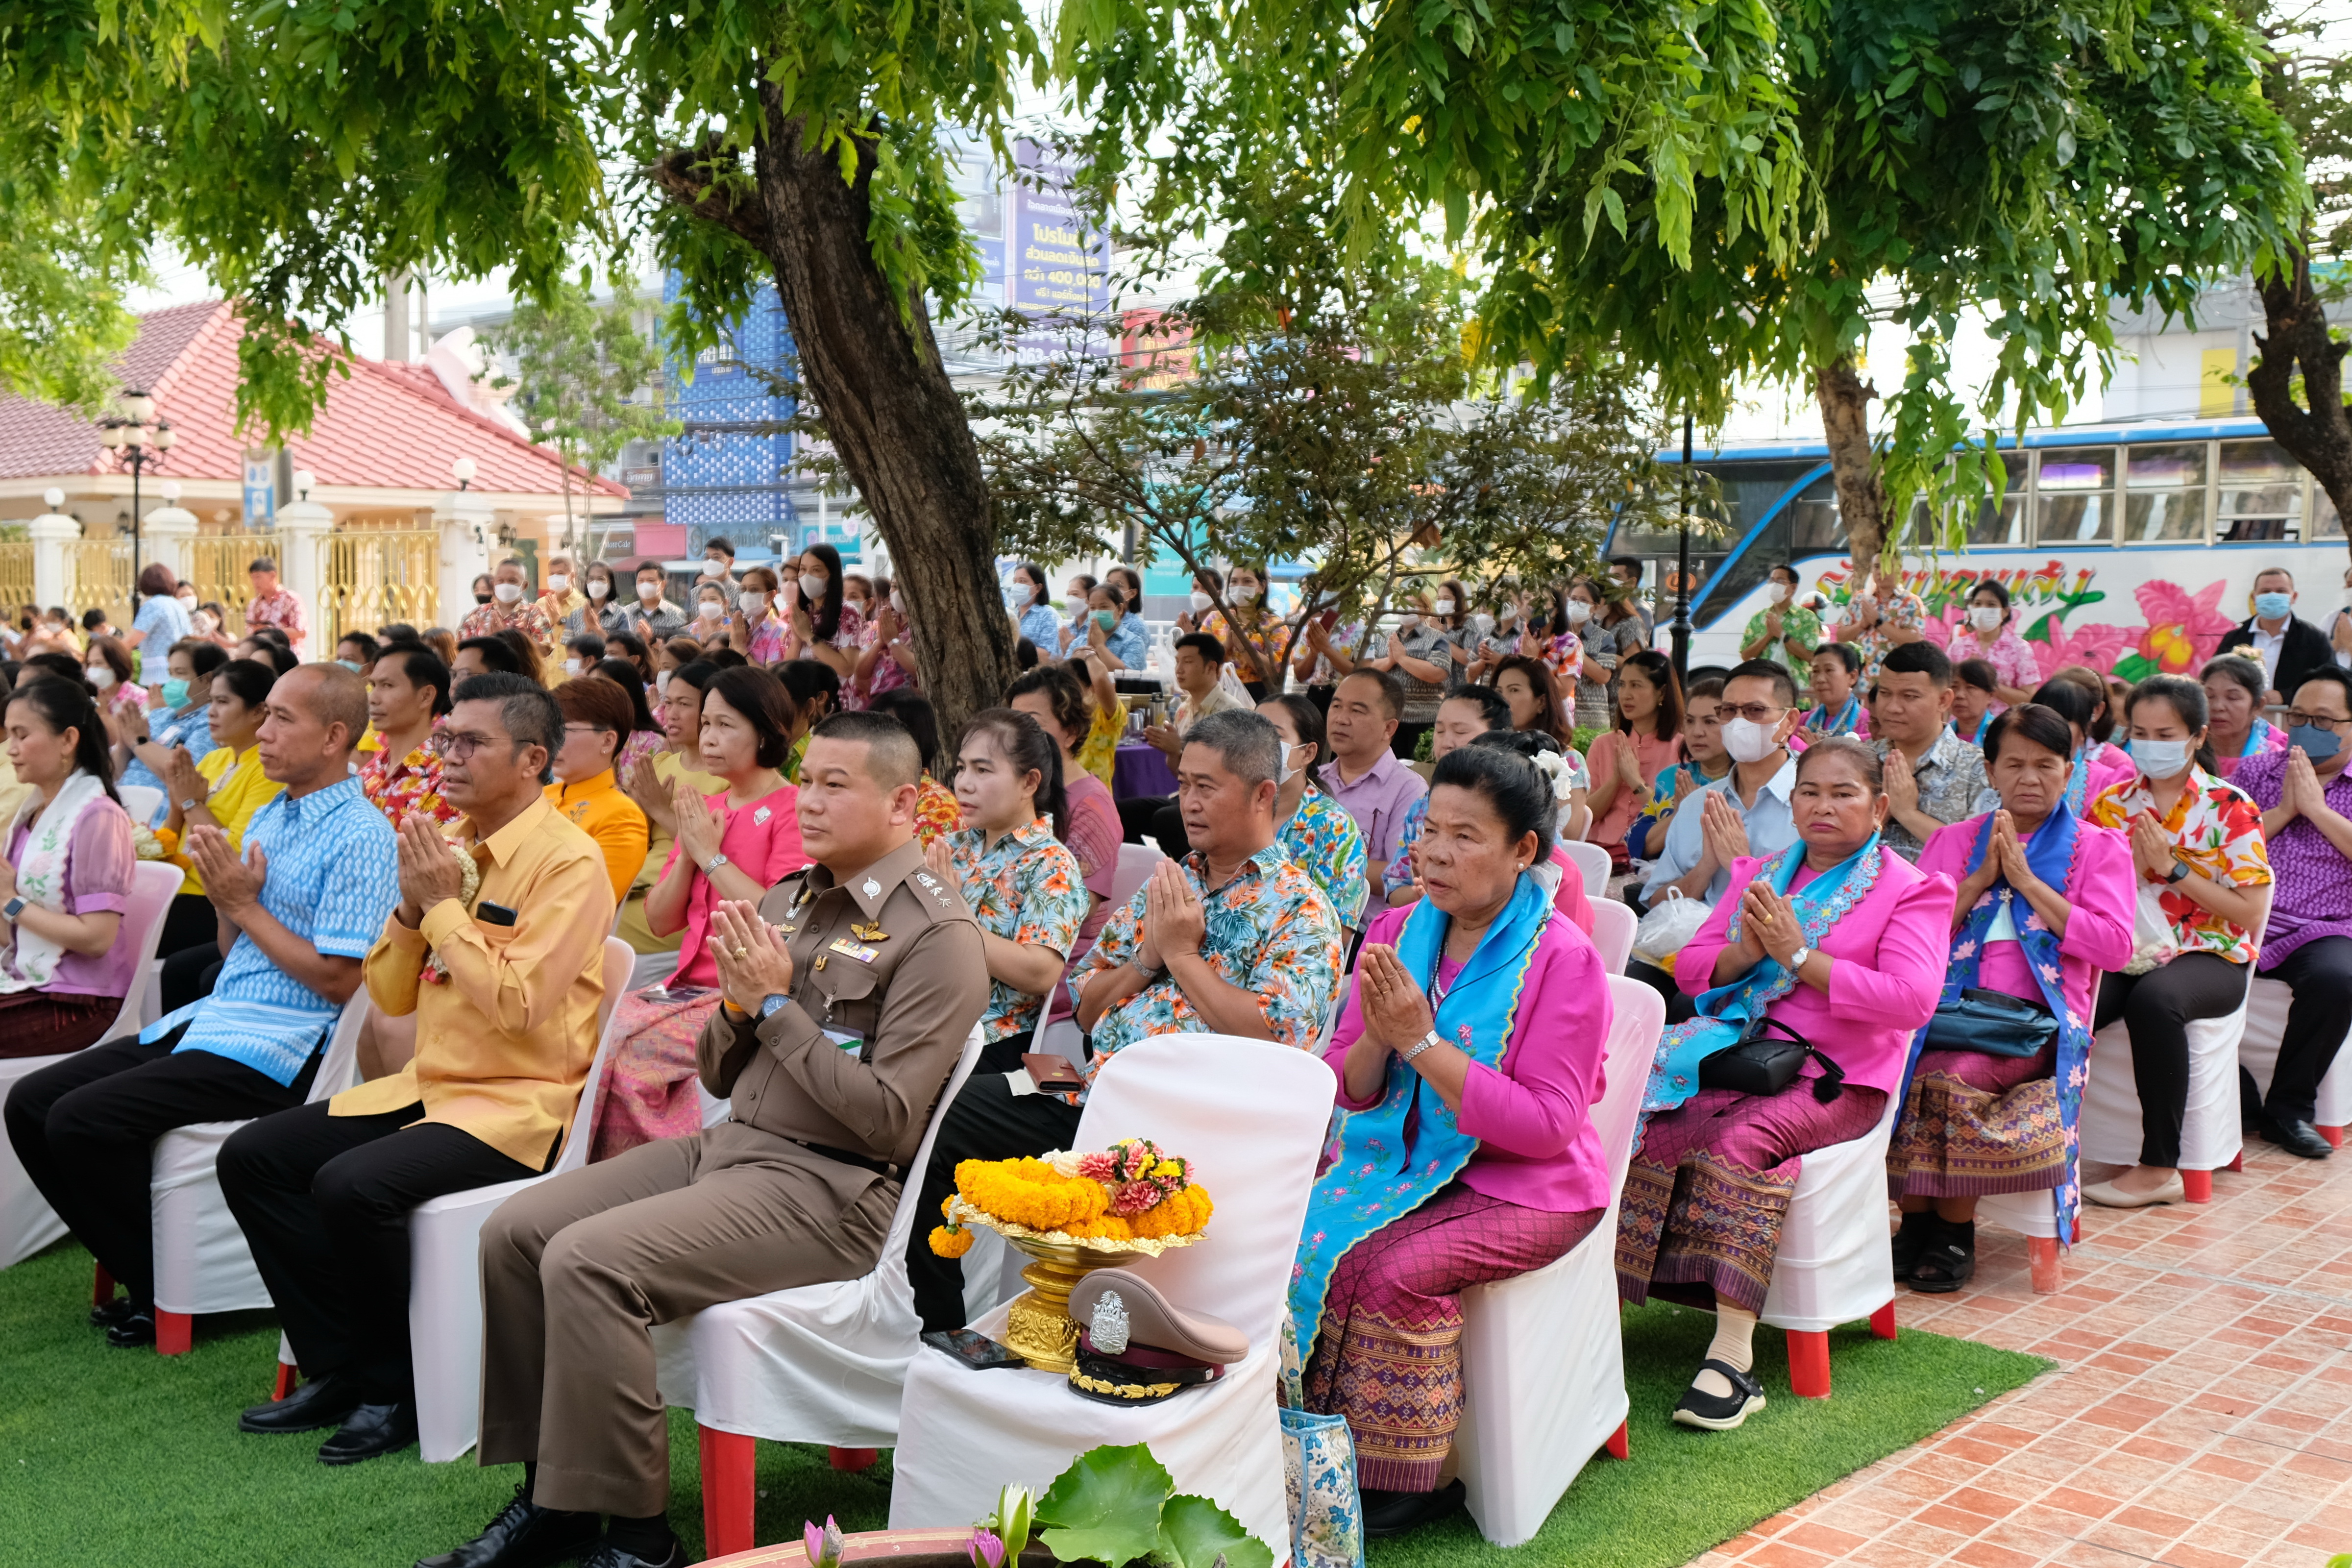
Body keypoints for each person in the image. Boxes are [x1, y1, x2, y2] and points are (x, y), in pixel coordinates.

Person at [435, 713, 985, 1568]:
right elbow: (723, 1079)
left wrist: (774, 1006)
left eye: (836, 785)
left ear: (904, 803)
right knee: (517, 1232)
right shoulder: (790, 898)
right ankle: (558, 1498)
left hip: (832, 1193)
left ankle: (641, 1539)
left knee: (589, 1260)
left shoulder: (940, 938)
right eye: (807, 780)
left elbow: (887, 1120)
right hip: (732, 1150)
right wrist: (737, 1010)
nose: (808, 801)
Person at [220, 673, 613, 1463]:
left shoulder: (570, 863)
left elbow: (518, 1005)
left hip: (517, 1106)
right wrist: (410, 910)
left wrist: (437, 909)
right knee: (254, 1158)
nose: (449, 758)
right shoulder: (450, 844)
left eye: (471, 743)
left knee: (351, 1185)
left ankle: (393, 1389)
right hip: (432, 1085)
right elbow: (390, 995)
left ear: (533, 759)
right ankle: (336, 1364)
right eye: (446, 741)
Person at [907, 710, 1343, 1335]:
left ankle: (967, 1323)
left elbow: (1278, 1038)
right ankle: (942, 1324)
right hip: (1090, 1084)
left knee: (963, 1109)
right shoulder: (1170, 881)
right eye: (1182, 783)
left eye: (1206, 787)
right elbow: (1085, 1004)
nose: (1186, 802)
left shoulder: (1299, 906)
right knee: (952, 1106)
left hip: (1175, 1123)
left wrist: (1184, 957)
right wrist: (1149, 957)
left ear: (1263, 794)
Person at [4, 666, 395, 1348]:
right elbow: (233, 946)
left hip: (284, 1044)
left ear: (335, 737)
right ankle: (153, 1276)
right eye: (265, 716)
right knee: (33, 1104)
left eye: (280, 720)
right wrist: (227, 899)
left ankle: (163, 1291)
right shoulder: (277, 811)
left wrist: (241, 903)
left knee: (79, 1120)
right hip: (220, 1018)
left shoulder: (363, 835)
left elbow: (339, 982)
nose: (264, 734)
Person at [1293, 733, 1613, 1535]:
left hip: (1532, 1186)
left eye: (1465, 836)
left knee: (1393, 1266)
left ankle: (1408, 1475)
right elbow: (1348, 1084)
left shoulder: (1563, 959)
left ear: (1523, 851)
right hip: (1410, 1161)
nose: (1435, 852)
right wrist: (1381, 1034)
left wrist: (1422, 1044)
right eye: (1430, 829)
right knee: (1299, 1231)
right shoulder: (1399, 930)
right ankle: (1305, 1439)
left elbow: (1547, 1127)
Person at [1617, 738, 1949, 1431]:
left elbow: (1911, 1001)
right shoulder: (1763, 873)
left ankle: (1733, 1357)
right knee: (1637, 1123)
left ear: (1880, 807)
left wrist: (1801, 957)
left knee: (1738, 1141)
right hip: (1739, 1053)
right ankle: (1613, 1308)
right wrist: (1749, 950)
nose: (1823, 806)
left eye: (1843, 793)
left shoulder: (1912, 889)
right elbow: (1695, 970)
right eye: (1810, 792)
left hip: (1840, 1077)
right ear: (1792, 802)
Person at [1889, 705, 2135, 1290]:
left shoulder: (2099, 848)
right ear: (1991, 770)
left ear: (2070, 770)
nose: (2031, 777)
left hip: (2033, 1026)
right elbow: (1913, 936)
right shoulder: (1953, 842)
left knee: (1949, 1077)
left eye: (2046, 764)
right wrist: (1978, 880)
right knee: (1905, 1062)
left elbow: (2116, 947)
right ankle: (1915, 1222)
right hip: (1943, 1013)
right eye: (2015, 763)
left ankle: (1952, 1230)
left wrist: (2026, 882)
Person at [589, 666, 805, 1162]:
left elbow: (783, 915)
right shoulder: (704, 806)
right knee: (585, 1037)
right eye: (706, 724)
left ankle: (655, 1174)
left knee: (627, 1056)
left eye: (726, 725)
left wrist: (711, 856)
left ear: (768, 731)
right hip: (686, 983)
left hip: (742, 995)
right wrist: (689, 852)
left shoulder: (791, 808)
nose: (709, 737)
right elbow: (663, 920)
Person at [2083, 676, 2274, 1207]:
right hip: (2134, 947)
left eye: (2165, 732)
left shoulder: (2230, 808)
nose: (2150, 743)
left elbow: (2248, 911)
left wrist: (2171, 869)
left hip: (2212, 952)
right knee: (2077, 996)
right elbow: (2089, 891)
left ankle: (2158, 1165)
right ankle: (2046, 1139)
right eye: (2139, 732)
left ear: (2196, 735)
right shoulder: (2112, 804)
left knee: (2157, 1000)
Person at [2229, 667, 2352, 1158]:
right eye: (2299, 716)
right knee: (2165, 980)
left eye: (2323, 720)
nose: (2307, 728)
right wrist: (2285, 808)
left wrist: (2319, 809)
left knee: (2338, 979)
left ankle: (2289, 1109)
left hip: (2325, 928)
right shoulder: (2257, 772)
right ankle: (2239, 1098)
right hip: (2246, 914)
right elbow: (2223, 848)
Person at [928, 708, 1088, 1071]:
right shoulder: (954, 847)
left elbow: (1039, 973)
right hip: (925, 1017)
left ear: (1030, 783)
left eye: (982, 770)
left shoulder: (1050, 864)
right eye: (961, 768)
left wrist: (956, 917)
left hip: (989, 1037)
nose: (964, 783)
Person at [0, 678, 137, 1057]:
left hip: (80, 1003)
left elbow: (96, 938)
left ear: (67, 740)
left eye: (22, 735)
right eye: (8, 735)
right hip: (32, 981)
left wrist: (10, 901)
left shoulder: (97, 816)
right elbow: (13, 934)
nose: (10, 749)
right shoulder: (33, 815)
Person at [152, 659, 287, 1001]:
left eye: (223, 702)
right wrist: (176, 801)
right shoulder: (214, 760)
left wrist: (191, 804)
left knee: (131, 933)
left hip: (210, 899)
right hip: (177, 887)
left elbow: (237, 855)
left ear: (259, 712)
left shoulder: (266, 769)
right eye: (211, 701)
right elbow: (173, 839)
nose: (211, 711)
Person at [1641, 661, 1802, 909]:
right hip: (1695, 942)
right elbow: (1655, 901)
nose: (1738, 722)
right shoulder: (1698, 804)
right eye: (1729, 710)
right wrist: (1706, 867)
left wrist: (1741, 864)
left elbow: (1822, 909)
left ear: (1789, 721)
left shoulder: (1813, 803)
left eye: (1755, 710)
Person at [613, 661, 726, 973]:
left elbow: (714, 857)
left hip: (674, 912)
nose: (671, 713)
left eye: (684, 704)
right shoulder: (662, 762)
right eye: (668, 702)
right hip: (632, 893)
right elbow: (638, 839)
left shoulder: (725, 778)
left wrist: (660, 809)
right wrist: (638, 809)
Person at [1116, 632, 1246, 850]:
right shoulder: (1183, 710)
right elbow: (1179, 772)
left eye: (1188, 662)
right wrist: (1172, 752)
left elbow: (1229, 772)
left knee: (1164, 818)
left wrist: (1180, 748)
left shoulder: (1231, 711)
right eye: (1178, 662)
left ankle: (1188, 874)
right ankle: (1149, 868)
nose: (1179, 670)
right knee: (1120, 812)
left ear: (1211, 668)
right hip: (1185, 796)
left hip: (1214, 801)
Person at [1870, 642, 1993, 862]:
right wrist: (1881, 815)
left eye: (1910, 697)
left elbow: (1979, 856)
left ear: (1944, 700)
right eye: (1885, 694)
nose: (1892, 707)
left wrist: (1908, 814)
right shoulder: (1861, 760)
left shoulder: (1979, 769)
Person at [1259, 694, 1370, 931]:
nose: (1257, 746)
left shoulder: (1334, 828)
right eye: (1252, 733)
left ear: (1308, 753)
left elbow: (1338, 933)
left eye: (1274, 737)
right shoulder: (1235, 807)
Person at [1318, 669, 1427, 895]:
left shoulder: (1408, 789)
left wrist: (1319, 862)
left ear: (1389, 728)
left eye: (1357, 711)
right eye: (1336, 706)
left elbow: (1403, 875)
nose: (1341, 719)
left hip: (1366, 926)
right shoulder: (1316, 779)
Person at [546, 677, 653, 906]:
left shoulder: (622, 816)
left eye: (564, 729)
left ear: (607, 741)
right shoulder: (542, 795)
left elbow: (588, 906)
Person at [1585, 649, 1686, 858]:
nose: (1625, 694)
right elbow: (1587, 816)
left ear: (1662, 693)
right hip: (1600, 852)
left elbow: (1673, 819)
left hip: (1651, 857)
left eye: (1636, 685)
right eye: (1622, 685)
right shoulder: (1603, 744)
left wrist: (1635, 780)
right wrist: (1615, 781)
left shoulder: (1682, 749)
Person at [118, 639, 227, 826]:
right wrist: (124, 741)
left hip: (159, 817)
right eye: (171, 674)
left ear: (207, 680)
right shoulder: (160, 714)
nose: (171, 682)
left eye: (180, 674)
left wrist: (140, 742)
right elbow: (118, 769)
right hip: (121, 802)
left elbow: (184, 773)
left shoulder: (211, 721)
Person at [1628, 676, 1732, 863]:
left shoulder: (1742, 783)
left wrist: (1697, 810)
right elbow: (1638, 846)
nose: (1697, 732)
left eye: (1710, 722)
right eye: (1690, 721)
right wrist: (1681, 813)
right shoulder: (1672, 777)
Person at [359, 644, 458, 832]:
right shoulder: (368, 773)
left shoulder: (449, 776)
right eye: (374, 686)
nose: (373, 698)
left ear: (426, 696)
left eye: (388, 685)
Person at [2217, 567, 2333, 706]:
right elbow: (2216, 678)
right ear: (2254, 598)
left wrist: (2286, 696)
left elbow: (2329, 681)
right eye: (2265, 592)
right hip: (2243, 720)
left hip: (2294, 720)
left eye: (2281, 591)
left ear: (2294, 597)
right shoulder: (2234, 638)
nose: (2273, 596)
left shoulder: (2314, 639)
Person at [868, 687, 962, 847]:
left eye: (888, 733)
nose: (873, 741)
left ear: (918, 739)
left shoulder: (938, 808)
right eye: (870, 730)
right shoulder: (857, 787)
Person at [1365, 588, 1453, 753]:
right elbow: (1368, 669)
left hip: (1424, 719)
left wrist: (1403, 659)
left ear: (1426, 611)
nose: (1405, 609)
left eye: (1411, 605)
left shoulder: (1438, 638)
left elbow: (1438, 673)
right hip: (1389, 718)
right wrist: (1391, 661)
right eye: (1401, 604)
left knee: (1419, 769)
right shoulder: (1386, 636)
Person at [1945, 580, 2036, 710]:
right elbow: (1945, 689)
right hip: (1961, 726)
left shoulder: (2020, 649)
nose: (1983, 610)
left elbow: (2028, 698)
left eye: (1991, 605)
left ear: (2005, 612)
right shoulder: (1958, 648)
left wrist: (1988, 682)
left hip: (2002, 726)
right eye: (1978, 604)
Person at [781, 544, 862, 677]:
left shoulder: (847, 613)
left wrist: (808, 636)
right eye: (803, 569)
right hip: (801, 694)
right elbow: (786, 668)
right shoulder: (802, 612)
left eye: (816, 570)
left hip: (835, 696)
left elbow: (847, 669)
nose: (807, 576)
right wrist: (796, 640)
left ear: (832, 575)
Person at [2202, 653, 2286, 779]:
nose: (2218, 707)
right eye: (2209, 696)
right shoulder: (2185, 757)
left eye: (2233, 698)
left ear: (2258, 706)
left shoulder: (2276, 762)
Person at [461, 559, 558, 664]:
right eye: (501, 581)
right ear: (494, 584)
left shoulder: (535, 614)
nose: (505, 585)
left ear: (524, 586)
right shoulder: (478, 615)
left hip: (521, 678)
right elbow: (462, 649)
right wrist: (489, 643)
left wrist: (507, 639)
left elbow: (545, 650)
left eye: (512, 581)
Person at [1738, 564, 1821, 674]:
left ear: (1793, 587)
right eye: (1772, 581)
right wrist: (1768, 635)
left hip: (1794, 684)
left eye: (1780, 581)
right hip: (1764, 682)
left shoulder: (1807, 618)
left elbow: (1812, 658)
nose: (1774, 585)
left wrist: (1782, 635)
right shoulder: (1759, 617)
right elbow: (1746, 656)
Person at [851, 578, 917, 710]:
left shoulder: (924, 630)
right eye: (895, 587)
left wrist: (893, 642)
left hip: (909, 707)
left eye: (905, 587)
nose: (899, 593)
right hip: (879, 705)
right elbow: (860, 672)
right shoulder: (883, 622)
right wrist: (880, 642)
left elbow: (919, 668)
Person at [593, 657, 667, 773]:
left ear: (627, 693)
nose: (590, 694)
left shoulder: (651, 742)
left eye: (600, 687)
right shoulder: (585, 734)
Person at [1800, 641, 1869, 740]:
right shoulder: (1804, 720)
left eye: (1829, 670)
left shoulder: (1866, 723)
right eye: (1815, 671)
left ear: (1853, 677)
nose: (1820, 679)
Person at [1077, 580, 1148, 673]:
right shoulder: (1079, 641)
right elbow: (1067, 675)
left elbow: (1125, 677)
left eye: (1104, 607)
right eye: (1093, 608)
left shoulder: (1134, 643)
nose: (1097, 612)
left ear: (1119, 609)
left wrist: (1100, 646)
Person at [124, 562, 192, 657]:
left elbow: (134, 637)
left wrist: (112, 654)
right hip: (177, 662)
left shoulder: (153, 604)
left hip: (157, 666)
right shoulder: (178, 605)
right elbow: (188, 636)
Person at [244, 557, 307, 653]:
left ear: (272, 576)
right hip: (262, 656)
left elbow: (301, 632)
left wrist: (270, 631)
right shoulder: (254, 604)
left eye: (258, 577)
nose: (255, 582)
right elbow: (251, 633)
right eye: (252, 578)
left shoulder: (291, 599)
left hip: (288, 656)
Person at [626, 561, 687, 644]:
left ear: (663, 585)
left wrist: (652, 640)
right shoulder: (626, 612)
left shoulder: (676, 614)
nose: (645, 585)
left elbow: (680, 646)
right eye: (641, 581)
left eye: (651, 581)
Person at [1008, 562, 1062, 654]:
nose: (1017, 586)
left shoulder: (1048, 615)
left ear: (1038, 588)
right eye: (1015, 581)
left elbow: (1048, 654)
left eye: (1023, 581)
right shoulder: (1011, 615)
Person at [1951, 657, 1999, 746]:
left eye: (1970, 688)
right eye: (1954, 687)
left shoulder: (2000, 735)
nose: (1959, 695)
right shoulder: (1941, 734)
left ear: (1991, 696)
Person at [537, 553, 587, 635]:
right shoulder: (541, 604)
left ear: (572, 576)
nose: (555, 578)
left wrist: (560, 620)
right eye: (552, 574)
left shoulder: (583, 605)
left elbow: (583, 636)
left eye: (560, 574)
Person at [578, 561, 629, 636]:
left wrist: (596, 628)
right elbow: (570, 647)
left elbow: (623, 646)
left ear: (610, 583)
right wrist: (588, 628)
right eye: (591, 579)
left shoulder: (621, 614)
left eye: (601, 579)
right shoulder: (576, 614)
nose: (595, 583)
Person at [697, 535, 742, 609]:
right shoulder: (696, 592)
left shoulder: (741, 592)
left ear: (730, 562)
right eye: (707, 558)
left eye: (716, 557)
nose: (710, 562)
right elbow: (691, 619)